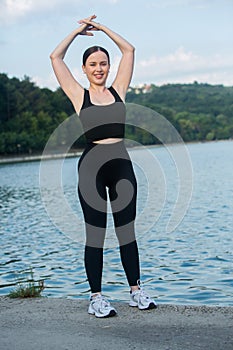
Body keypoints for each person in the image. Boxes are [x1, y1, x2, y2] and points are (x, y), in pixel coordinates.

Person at [50, 15, 157, 318]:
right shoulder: (78, 94)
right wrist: (78, 31)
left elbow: (130, 50)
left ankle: (136, 291)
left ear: (109, 67)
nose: (99, 69)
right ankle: (96, 297)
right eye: (93, 64)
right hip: (92, 167)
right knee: (95, 233)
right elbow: (55, 57)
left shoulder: (118, 90)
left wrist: (104, 30)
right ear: (84, 69)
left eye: (103, 63)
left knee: (127, 231)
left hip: (121, 163)